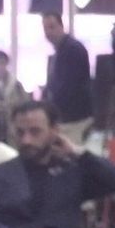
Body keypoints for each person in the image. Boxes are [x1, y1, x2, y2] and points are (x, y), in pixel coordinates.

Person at [0, 101, 115, 228]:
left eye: (35, 131)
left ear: (54, 131)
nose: (26, 140)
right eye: (20, 132)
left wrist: (77, 152)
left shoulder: (70, 171)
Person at [40, 12, 93, 145]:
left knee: (70, 155)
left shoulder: (72, 49)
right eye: (45, 28)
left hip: (73, 117)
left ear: (61, 27)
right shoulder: (61, 50)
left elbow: (69, 86)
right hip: (67, 117)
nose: (48, 32)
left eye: (52, 27)